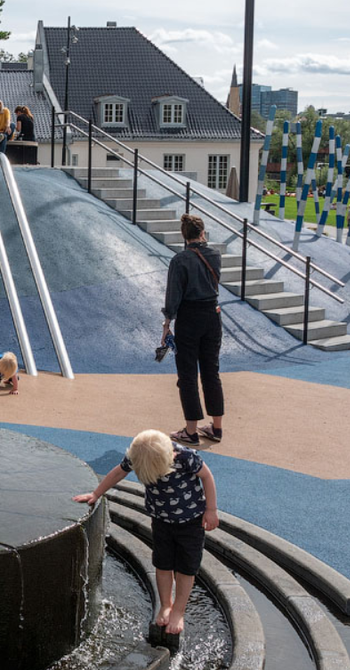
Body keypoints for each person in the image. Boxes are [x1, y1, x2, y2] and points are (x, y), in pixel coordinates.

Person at [73, 429, 219, 637]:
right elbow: (118, 472)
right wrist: (96, 493)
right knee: (163, 564)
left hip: (191, 522)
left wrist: (211, 510)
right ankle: (166, 605)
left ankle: (178, 610)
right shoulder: (138, 456)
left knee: (187, 568)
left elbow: (207, 476)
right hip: (161, 521)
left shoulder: (186, 457)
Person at [162, 214, 224, 446]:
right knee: (211, 371)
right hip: (213, 315)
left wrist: (167, 323)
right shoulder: (215, 255)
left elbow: (173, 297)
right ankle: (216, 427)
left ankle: (191, 430)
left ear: (183, 236)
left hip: (189, 318)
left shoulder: (180, 260)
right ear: (202, 233)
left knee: (187, 374)